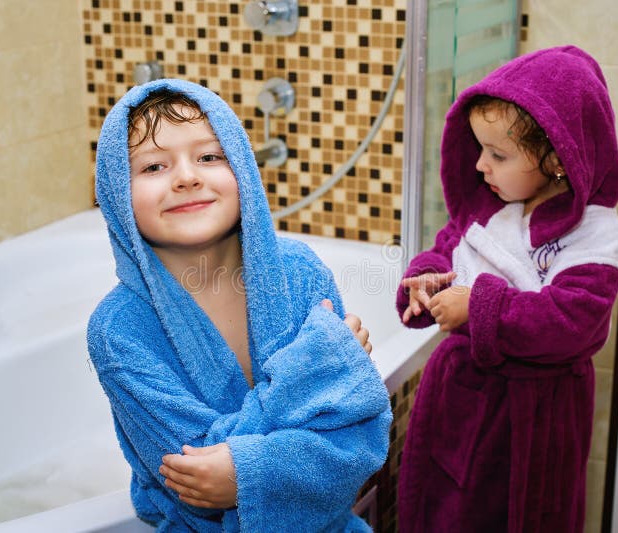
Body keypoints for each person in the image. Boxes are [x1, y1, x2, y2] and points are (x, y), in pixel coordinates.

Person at [87, 79, 392, 532]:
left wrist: (242, 471)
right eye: (153, 166)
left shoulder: (299, 273)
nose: (187, 177)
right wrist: (311, 372)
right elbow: (195, 481)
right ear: (116, 194)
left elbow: (360, 437)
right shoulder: (120, 332)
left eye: (210, 156)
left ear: (244, 168)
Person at [396, 45, 618, 532]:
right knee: (449, 510)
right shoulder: (490, 206)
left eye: (498, 154)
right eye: (480, 149)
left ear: (558, 157)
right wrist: (425, 280)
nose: (481, 165)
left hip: (534, 418)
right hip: (459, 400)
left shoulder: (594, 233)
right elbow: (447, 250)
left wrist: (478, 307)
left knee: (519, 516)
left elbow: (573, 321)